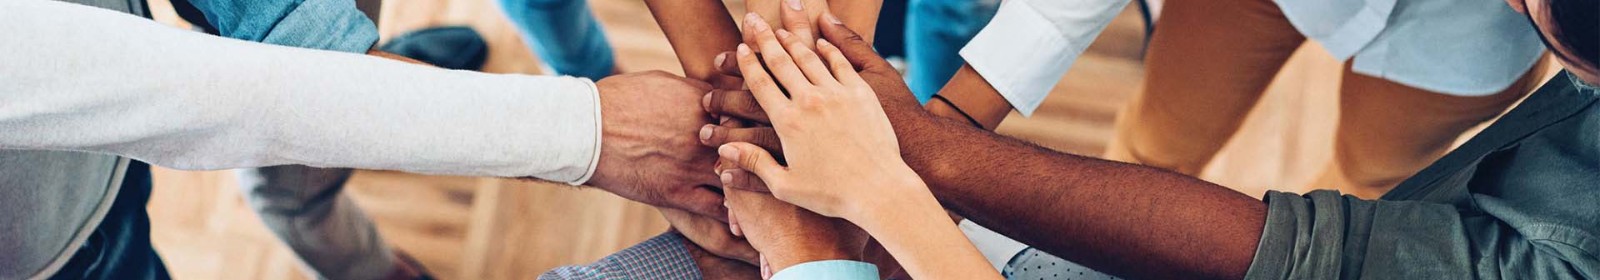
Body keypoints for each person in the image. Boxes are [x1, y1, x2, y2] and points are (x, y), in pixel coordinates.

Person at [703, 1, 1600, 278]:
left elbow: (1343, 248)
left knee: (1373, 183)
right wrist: (930, 144)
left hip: (1453, 63)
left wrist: (915, 165)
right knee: (1155, 142)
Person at [0, 0, 724, 279]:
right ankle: (368, 275)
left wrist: (717, 71)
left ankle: (385, 61)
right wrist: (593, 129)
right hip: (54, 243)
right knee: (298, 175)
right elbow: (202, 92)